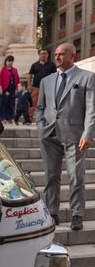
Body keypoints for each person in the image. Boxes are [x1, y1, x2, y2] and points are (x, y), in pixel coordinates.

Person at [35, 42, 95, 231]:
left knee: (76, 177)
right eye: (57, 54)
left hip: (75, 136)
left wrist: (88, 133)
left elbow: (92, 108)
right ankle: (52, 213)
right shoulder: (47, 80)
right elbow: (40, 107)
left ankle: (77, 214)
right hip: (49, 135)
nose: (57, 57)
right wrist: (41, 126)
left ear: (72, 56)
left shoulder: (87, 78)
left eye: (62, 54)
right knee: (51, 177)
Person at [27, 49, 57, 120]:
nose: (43, 55)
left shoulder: (52, 65)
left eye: (45, 54)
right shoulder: (34, 65)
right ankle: (29, 118)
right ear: (39, 55)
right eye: (42, 54)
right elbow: (30, 75)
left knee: (48, 103)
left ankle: (47, 118)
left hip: (48, 87)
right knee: (32, 103)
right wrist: (29, 85)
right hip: (36, 87)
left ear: (47, 55)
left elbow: (55, 75)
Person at [0, 55, 19, 124]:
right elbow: (0, 79)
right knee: (3, 104)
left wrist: (19, 86)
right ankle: (3, 118)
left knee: (11, 104)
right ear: (6, 61)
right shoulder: (3, 69)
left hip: (12, 88)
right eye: (9, 61)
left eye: (11, 61)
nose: (10, 62)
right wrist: (0, 88)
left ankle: (10, 118)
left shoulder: (14, 69)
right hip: (5, 88)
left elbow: (17, 79)